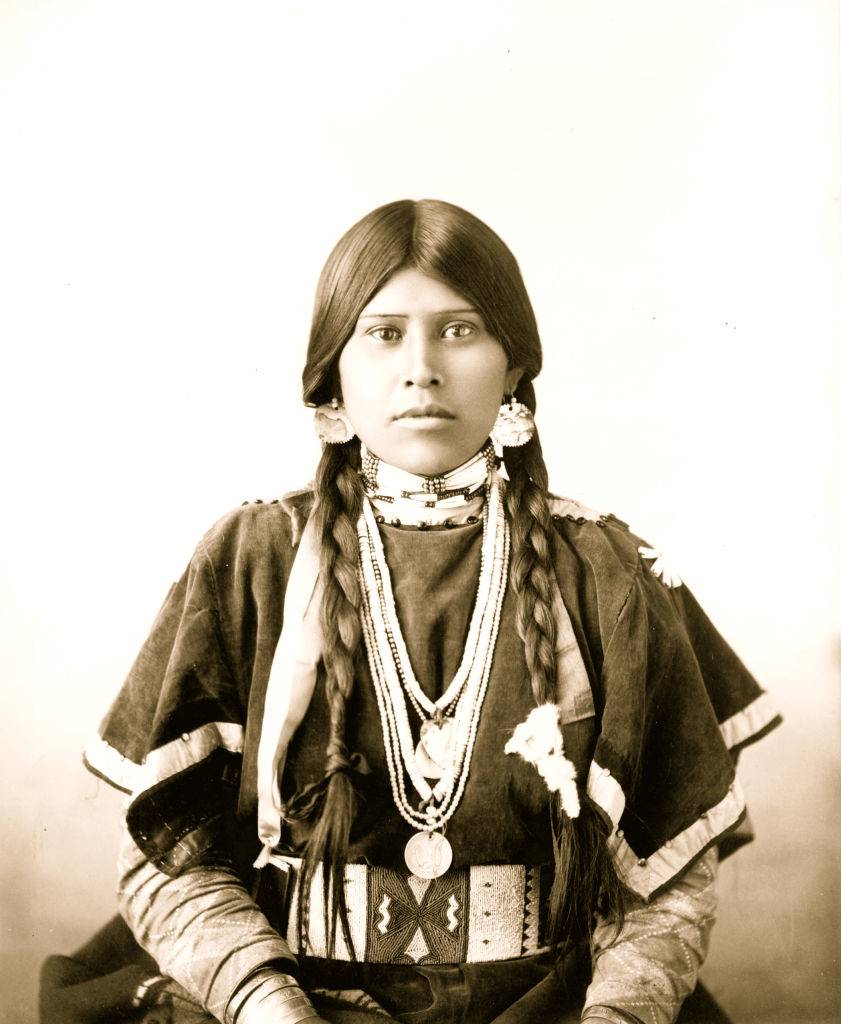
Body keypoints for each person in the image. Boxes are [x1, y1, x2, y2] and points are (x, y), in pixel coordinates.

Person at [53, 199, 780, 1024]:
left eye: (460, 330)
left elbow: (664, 882)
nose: (421, 368)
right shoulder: (250, 559)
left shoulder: (606, 572)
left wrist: (614, 1017)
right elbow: (165, 859)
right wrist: (266, 1006)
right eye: (384, 333)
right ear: (332, 373)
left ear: (514, 368)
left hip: (552, 1008)